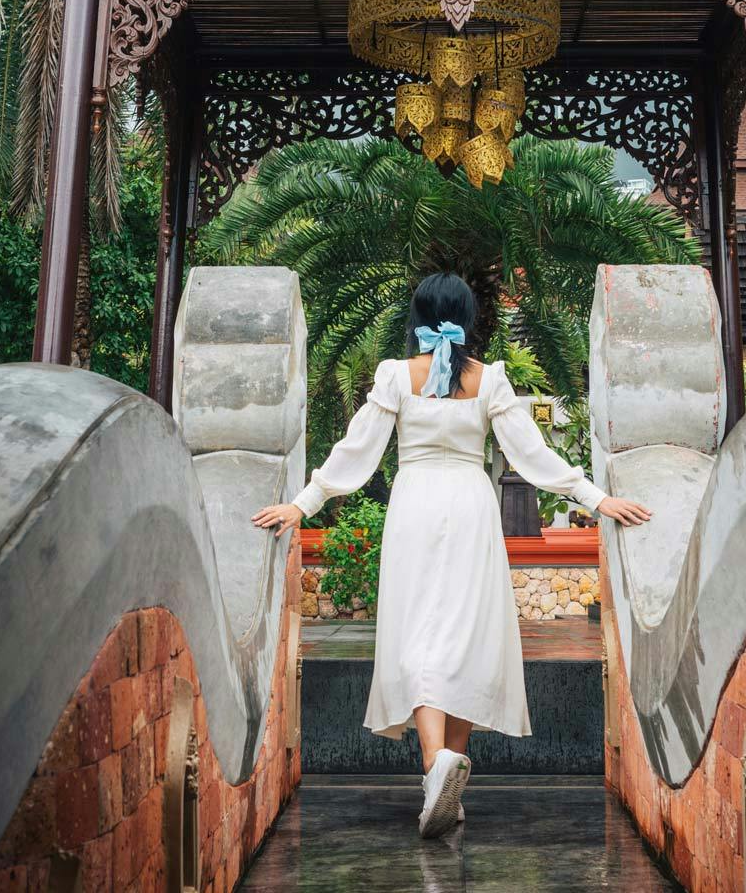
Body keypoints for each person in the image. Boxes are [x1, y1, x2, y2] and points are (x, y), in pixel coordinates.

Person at [253, 272, 651, 838]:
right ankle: (448, 776)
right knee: (465, 638)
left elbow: (357, 448)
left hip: (414, 506)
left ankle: (434, 769)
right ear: (466, 317)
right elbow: (532, 454)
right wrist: (596, 497)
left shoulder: (395, 375)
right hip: (470, 508)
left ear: (418, 317)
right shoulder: (490, 380)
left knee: (418, 636)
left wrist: (303, 503)